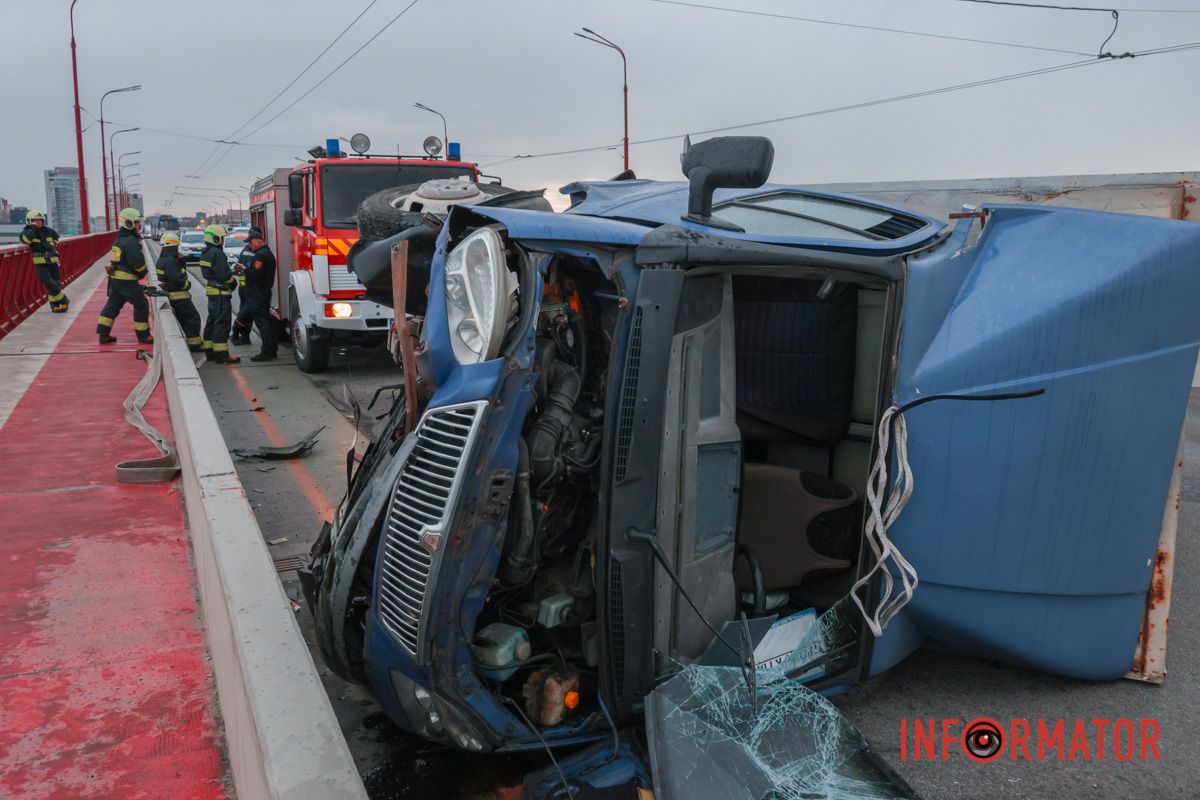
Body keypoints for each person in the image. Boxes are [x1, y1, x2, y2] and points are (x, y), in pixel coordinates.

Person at [97, 207, 152, 345]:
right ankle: (143, 336)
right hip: (127, 280)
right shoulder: (130, 241)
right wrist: (143, 272)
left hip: (115, 279)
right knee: (142, 304)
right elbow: (137, 262)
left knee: (113, 305)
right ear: (129, 224)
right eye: (137, 222)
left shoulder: (119, 240)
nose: (139, 225)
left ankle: (103, 334)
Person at [234, 227, 278, 362]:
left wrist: (244, 268)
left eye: (250, 243)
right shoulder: (267, 253)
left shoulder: (260, 255)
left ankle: (266, 352)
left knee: (262, 323)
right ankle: (271, 350)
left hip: (257, 293)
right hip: (262, 292)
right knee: (266, 322)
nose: (249, 245)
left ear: (258, 242)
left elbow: (255, 274)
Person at [155, 232, 204, 351]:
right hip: (179, 297)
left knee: (189, 319)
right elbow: (178, 280)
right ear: (173, 247)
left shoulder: (162, 260)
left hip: (174, 296)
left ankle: (195, 343)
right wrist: (188, 284)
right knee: (192, 319)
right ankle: (195, 344)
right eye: (176, 247)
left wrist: (182, 262)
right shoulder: (171, 262)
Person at [199, 224, 239, 364]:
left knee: (212, 321)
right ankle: (221, 355)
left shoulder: (205, 252)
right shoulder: (217, 253)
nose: (222, 241)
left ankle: (209, 352)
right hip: (221, 292)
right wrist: (233, 282)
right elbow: (223, 274)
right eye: (221, 238)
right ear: (215, 238)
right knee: (222, 323)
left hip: (212, 291)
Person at [20, 210, 69, 312]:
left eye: (40, 220)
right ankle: (64, 300)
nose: (38, 222)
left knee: (55, 284)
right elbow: (25, 239)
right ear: (29, 221)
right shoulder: (28, 232)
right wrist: (32, 228)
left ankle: (55, 306)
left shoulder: (49, 231)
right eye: (35, 220)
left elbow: (55, 241)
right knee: (48, 282)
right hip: (41, 263)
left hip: (53, 261)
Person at [230, 241, 256, 345]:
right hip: (250, 288)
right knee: (246, 312)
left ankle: (244, 338)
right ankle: (236, 331)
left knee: (246, 312)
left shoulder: (244, 250)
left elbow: (239, 266)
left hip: (243, 287)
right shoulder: (254, 253)